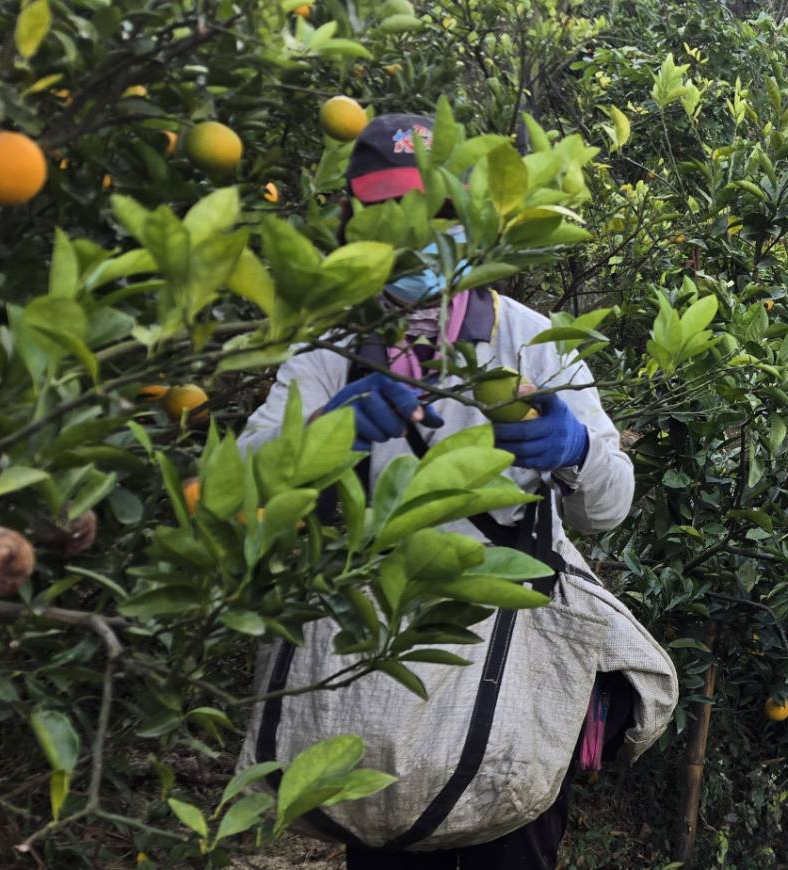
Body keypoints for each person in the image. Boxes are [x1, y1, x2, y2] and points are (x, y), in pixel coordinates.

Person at [237, 114, 668, 869]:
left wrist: (573, 452)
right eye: (387, 212)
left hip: (505, 682)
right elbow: (242, 495)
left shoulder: (534, 341)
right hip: (378, 684)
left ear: (473, 219)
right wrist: (315, 446)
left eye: (437, 213)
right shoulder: (326, 352)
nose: (415, 233)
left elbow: (607, 506)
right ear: (352, 222)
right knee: (387, 840)